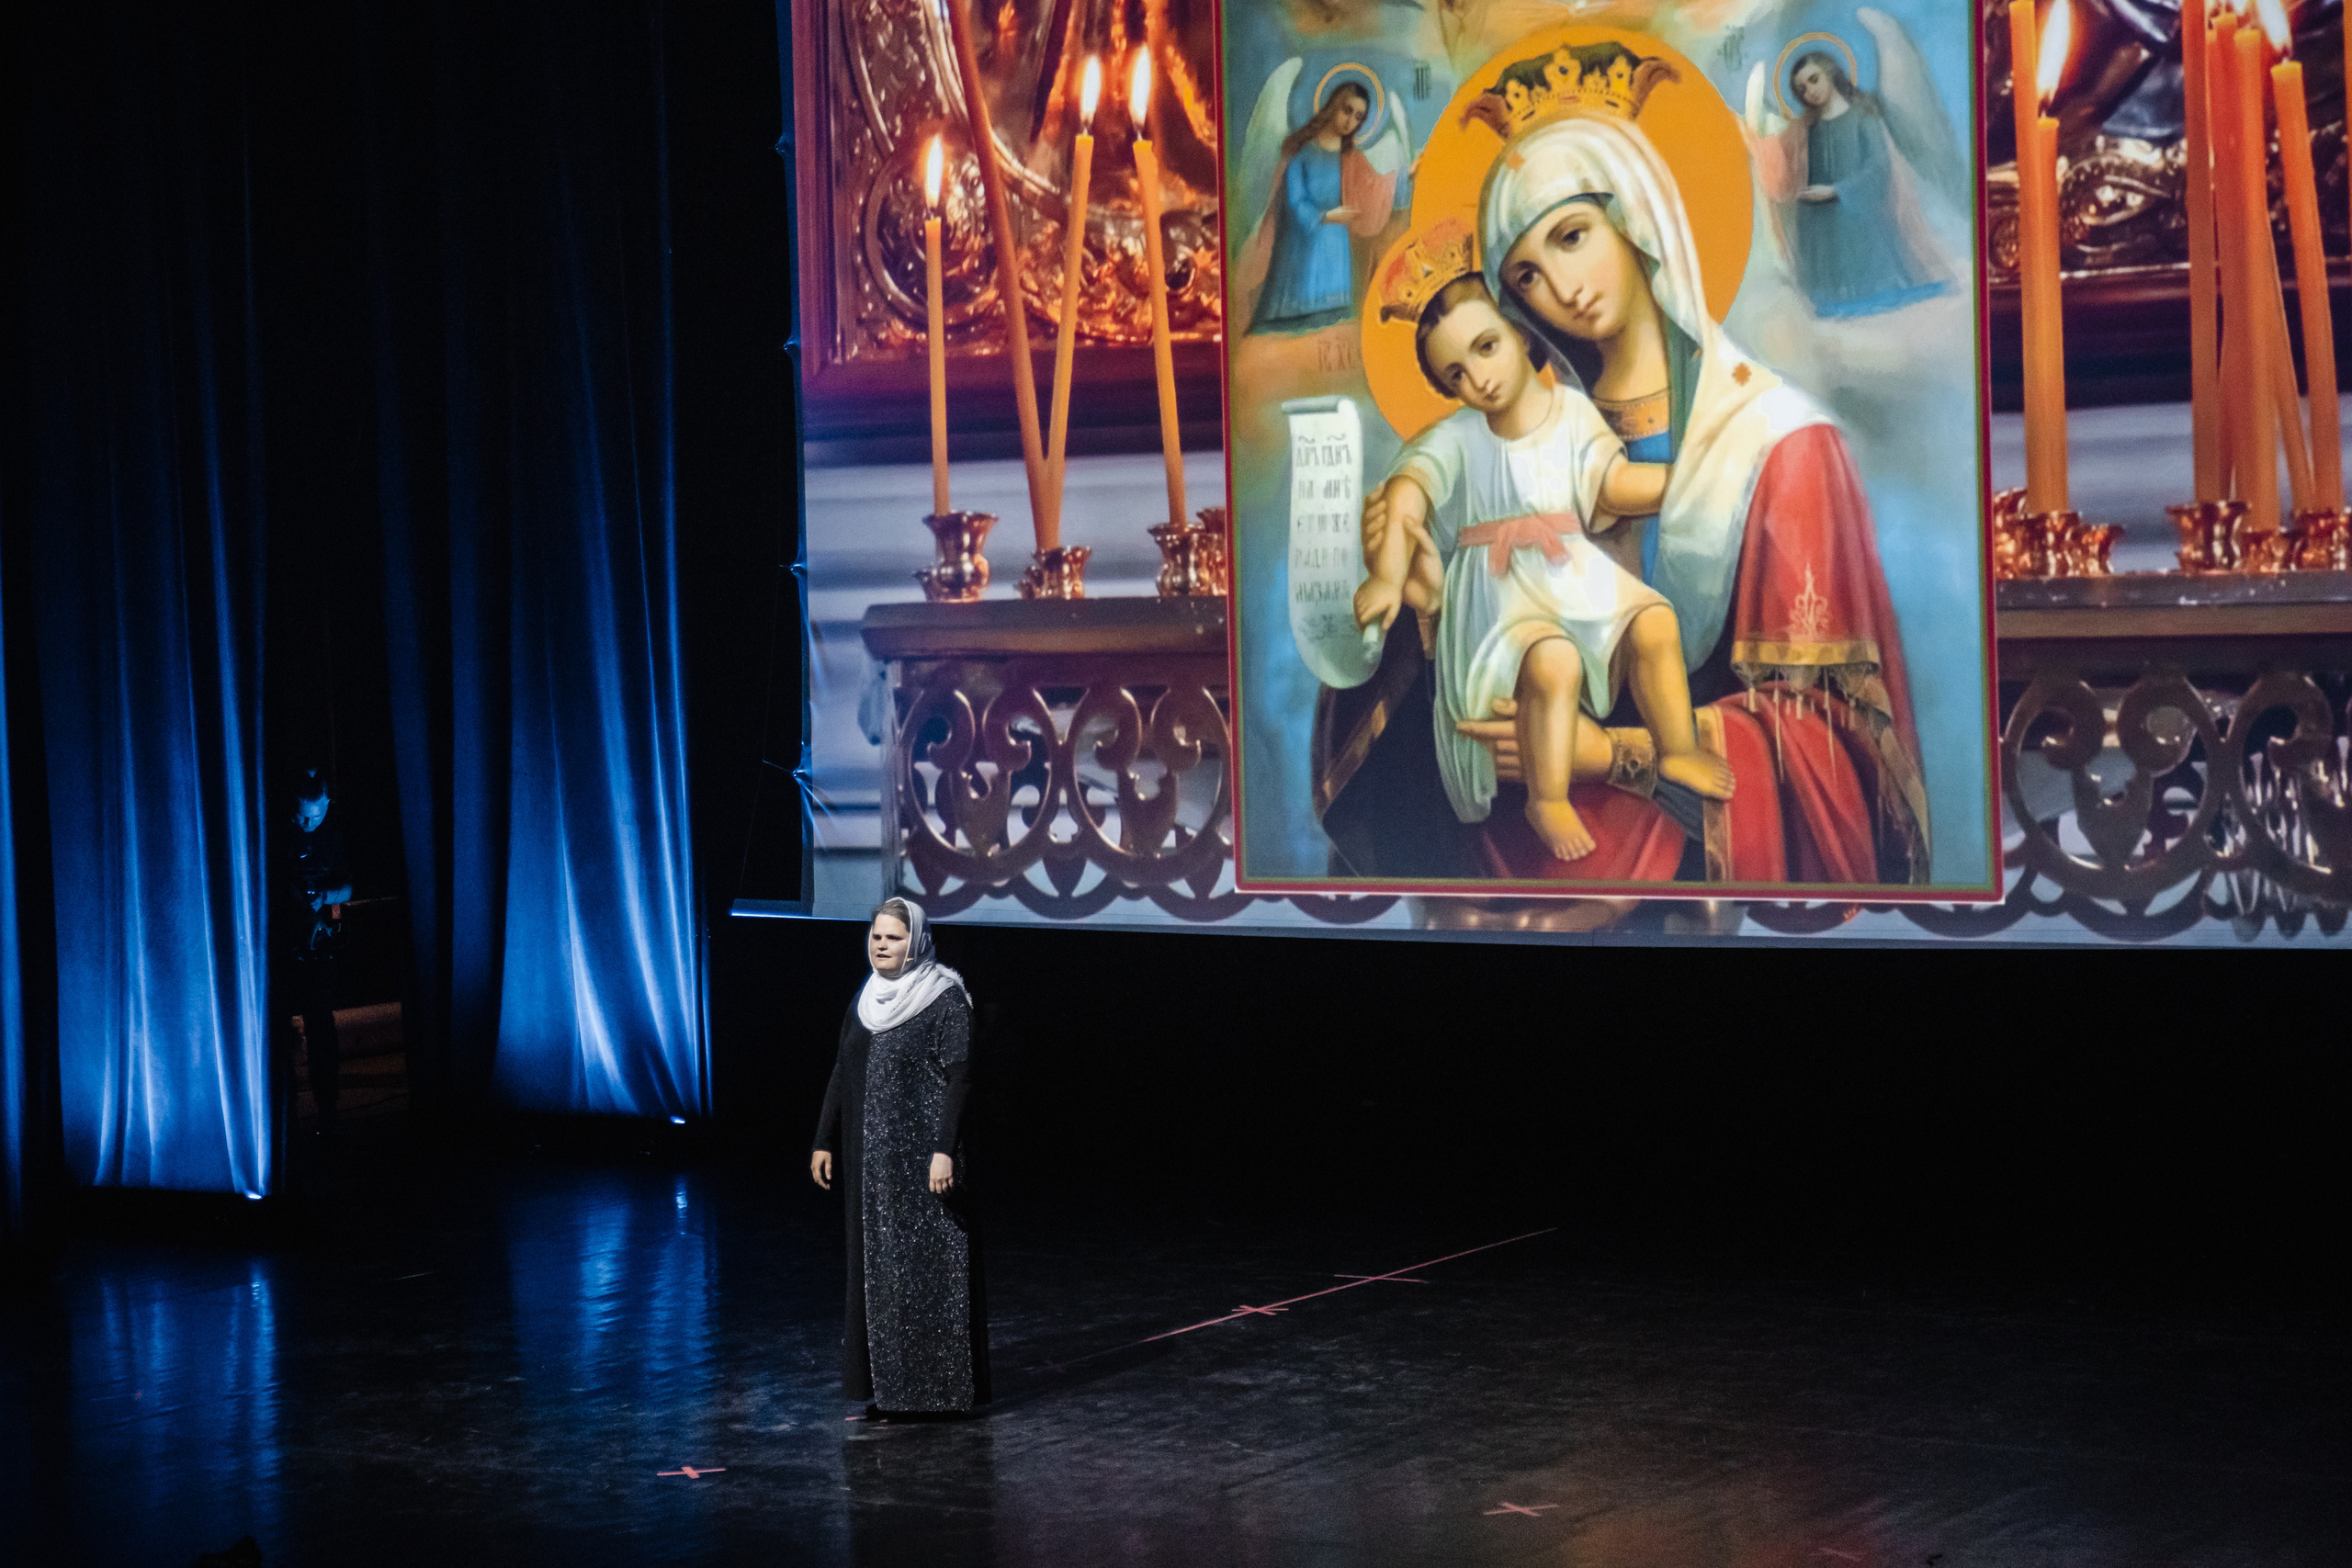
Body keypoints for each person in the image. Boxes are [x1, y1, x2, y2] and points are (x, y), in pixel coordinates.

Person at [1352, 272, 1731, 863]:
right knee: (1552, 661)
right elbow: (1406, 499)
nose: (1477, 378)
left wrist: (1689, 482)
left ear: (1522, 334)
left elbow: (1612, 486)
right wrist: (1385, 575)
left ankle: (1677, 749)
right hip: (1497, 595)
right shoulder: (1454, 439)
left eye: (1486, 347)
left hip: (1569, 573)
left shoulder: (1573, 414)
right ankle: (1546, 799)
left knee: (1655, 621)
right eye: (1456, 373)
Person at [810, 897, 987, 1418]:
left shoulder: (944, 997)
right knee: (881, 1273)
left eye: (893, 938)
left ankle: (938, 1391)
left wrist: (944, 1151)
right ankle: (891, 1389)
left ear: (917, 942)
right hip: (875, 1164)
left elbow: (961, 1079)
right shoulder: (866, 1000)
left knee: (930, 1273)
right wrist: (824, 1137)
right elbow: (843, 1070)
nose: (881, 946)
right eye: (876, 937)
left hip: (926, 1162)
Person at [1768, 51, 1951, 320]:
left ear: (1830, 73)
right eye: (1802, 89)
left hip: (1859, 223)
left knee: (1881, 310)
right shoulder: (1810, 128)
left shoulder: (1862, 115)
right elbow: (1786, 164)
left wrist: (1835, 190)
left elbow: (1878, 167)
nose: (1810, 91)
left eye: (1814, 79)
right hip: (1820, 231)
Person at [1246, 83, 1393, 335]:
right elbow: (1295, 202)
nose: (1351, 122)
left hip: (1336, 256)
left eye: (1359, 117)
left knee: (1332, 328)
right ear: (1334, 106)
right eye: (1347, 110)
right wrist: (1326, 216)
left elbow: (1374, 188)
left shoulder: (1351, 157)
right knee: (1292, 333)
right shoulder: (1300, 151)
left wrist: (1401, 175)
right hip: (1302, 251)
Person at [282, 769, 352, 1132]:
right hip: (283, 946)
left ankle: (328, 1108)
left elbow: (348, 888)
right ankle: (285, 1113)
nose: (307, 823)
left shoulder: (333, 837)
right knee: (280, 1029)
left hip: (317, 946)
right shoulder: (279, 836)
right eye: (300, 815)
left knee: (321, 1025)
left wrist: (322, 898)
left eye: (316, 815)